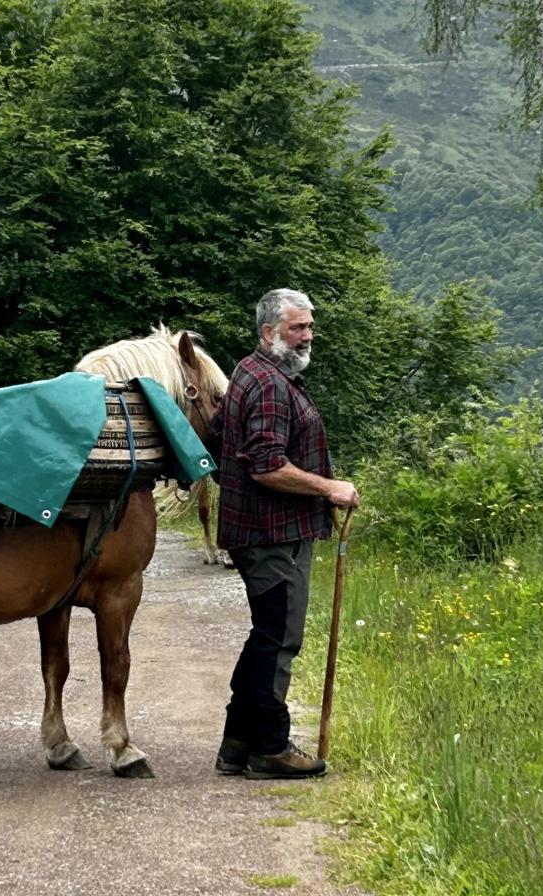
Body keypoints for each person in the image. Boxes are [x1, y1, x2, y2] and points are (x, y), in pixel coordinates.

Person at [213, 288, 359, 779]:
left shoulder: (251, 372)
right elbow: (266, 465)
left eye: (309, 327)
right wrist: (329, 488)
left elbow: (219, 441)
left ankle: (236, 745)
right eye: (298, 328)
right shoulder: (271, 385)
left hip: (260, 530)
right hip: (272, 534)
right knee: (278, 640)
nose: (307, 336)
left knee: (266, 636)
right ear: (268, 332)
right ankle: (270, 748)